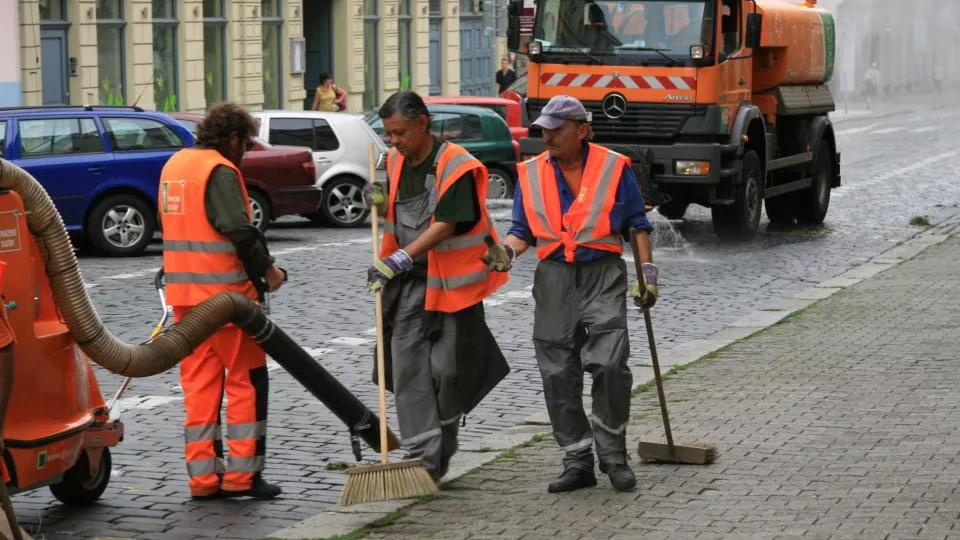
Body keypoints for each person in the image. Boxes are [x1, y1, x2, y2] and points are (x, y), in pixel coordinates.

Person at [482, 95, 659, 493]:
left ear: (581, 130)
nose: (548, 137)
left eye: (557, 129)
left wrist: (648, 274)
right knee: (558, 372)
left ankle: (613, 456)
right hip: (554, 278)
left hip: (602, 274)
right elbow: (523, 231)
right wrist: (506, 252)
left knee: (611, 365)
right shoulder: (530, 174)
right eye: (544, 129)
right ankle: (577, 459)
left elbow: (637, 223)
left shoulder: (614, 167)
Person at [363, 91, 510, 483]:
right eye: (389, 133)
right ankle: (421, 458)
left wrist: (401, 257)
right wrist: (375, 200)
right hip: (407, 286)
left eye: (400, 133)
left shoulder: (457, 165)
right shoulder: (392, 161)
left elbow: (446, 224)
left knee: (447, 372)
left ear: (422, 123)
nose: (393, 140)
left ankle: (442, 442)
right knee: (407, 369)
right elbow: (387, 210)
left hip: (451, 286)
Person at [158, 102, 287, 500]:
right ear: (232, 138)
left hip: (185, 300)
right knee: (248, 383)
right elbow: (238, 229)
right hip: (228, 302)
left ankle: (203, 480)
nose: (245, 152)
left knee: (199, 387)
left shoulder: (175, 165)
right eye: (246, 143)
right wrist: (267, 271)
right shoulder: (219, 169)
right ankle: (242, 477)